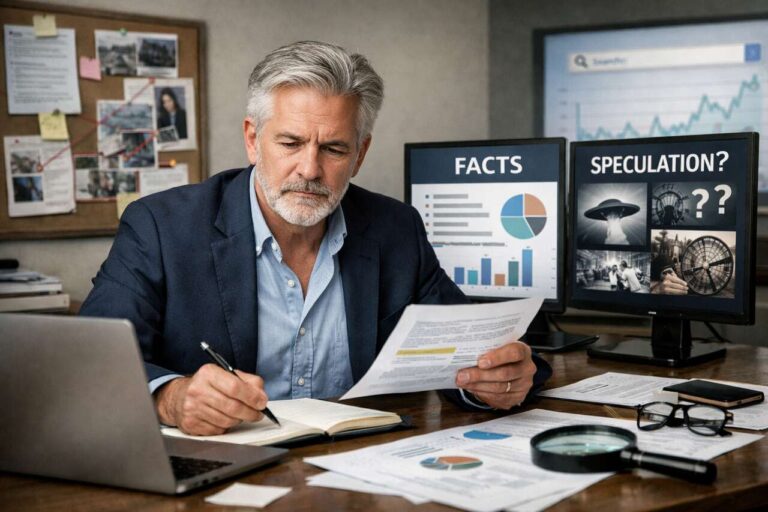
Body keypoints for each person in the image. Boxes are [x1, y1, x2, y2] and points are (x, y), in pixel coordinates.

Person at [80, 41, 552, 436]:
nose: (309, 169)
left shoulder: (395, 229)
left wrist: (493, 379)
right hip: (219, 470)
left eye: (333, 148)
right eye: (290, 143)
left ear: (360, 154)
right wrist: (171, 397)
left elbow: (468, 351)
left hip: (360, 467)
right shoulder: (161, 227)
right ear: (251, 138)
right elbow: (93, 362)